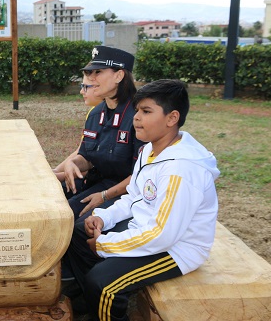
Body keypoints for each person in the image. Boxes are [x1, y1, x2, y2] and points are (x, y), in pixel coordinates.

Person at [62, 79, 220, 321]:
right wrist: (103, 218)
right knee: (80, 232)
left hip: (177, 249)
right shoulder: (151, 149)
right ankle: (89, 300)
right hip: (149, 228)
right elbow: (135, 197)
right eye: (137, 110)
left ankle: (102, 305)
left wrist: (105, 245)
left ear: (172, 118)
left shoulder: (182, 170)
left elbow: (162, 235)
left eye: (146, 111)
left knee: (104, 284)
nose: (136, 117)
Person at [60, 46, 145, 220]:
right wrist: (71, 163)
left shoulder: (139, 116)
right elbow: (86, 157)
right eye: (89, 72)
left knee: (71, 222)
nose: (90, 78)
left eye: (98, 72)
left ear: (119, 76)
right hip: (95, 182)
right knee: (49, 200)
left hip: (126, 192)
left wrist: (105, 195)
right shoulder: (96, 113)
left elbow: (142, 175)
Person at [53, 78, 103, 183]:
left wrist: (59, 176)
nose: (81, 91)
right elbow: (80, 151)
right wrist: (55, 171)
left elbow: (98, 166)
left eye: (86, 87)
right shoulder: (93, 112)